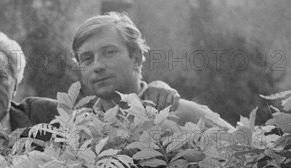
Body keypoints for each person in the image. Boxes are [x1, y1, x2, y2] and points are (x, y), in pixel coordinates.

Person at [0, 30, 181, 140]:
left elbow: (105, 115)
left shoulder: (43, 115)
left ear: (15, 84)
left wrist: (151, 89)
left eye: (0, 77)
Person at [71, 12, 234, 130]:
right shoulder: (78, 133)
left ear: (135, 58)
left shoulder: (182, 114)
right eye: (86, 58)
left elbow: (251, 160)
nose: (97, 65)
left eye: (109, 52)